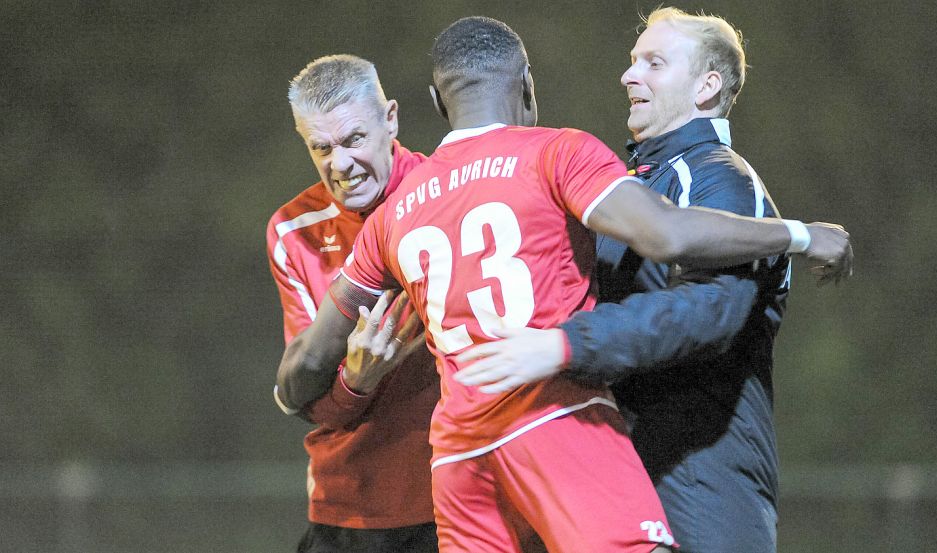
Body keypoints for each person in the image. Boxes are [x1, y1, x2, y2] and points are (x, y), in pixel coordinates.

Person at [276, 16, 852, 553]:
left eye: (652, 62)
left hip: (458, 452)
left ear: (427, 105)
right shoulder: (559, 154)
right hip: (553, 419)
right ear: (527, 84)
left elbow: (304, 364)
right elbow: (669, 235)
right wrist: (801, 234)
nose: (630, 74)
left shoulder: (395, 214)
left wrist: (317, 387)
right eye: (322, 147)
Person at [453, 7, 820, 552]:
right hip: (623, 462)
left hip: (701, 471)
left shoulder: (720, 176)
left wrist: (566, 344)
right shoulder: (636, 187)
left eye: (654, 62)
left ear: (706, 86)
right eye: (631, 62)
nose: (629, 76)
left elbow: (707, 312)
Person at [265, 54, 439, 553]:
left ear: (391, 119)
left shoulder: (448, 192)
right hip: (349, 512)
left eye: (353, 140)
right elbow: (309, 399)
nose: (339, 163)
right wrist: (356, 383)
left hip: (459, 501)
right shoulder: (293, 230)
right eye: (321, 147)